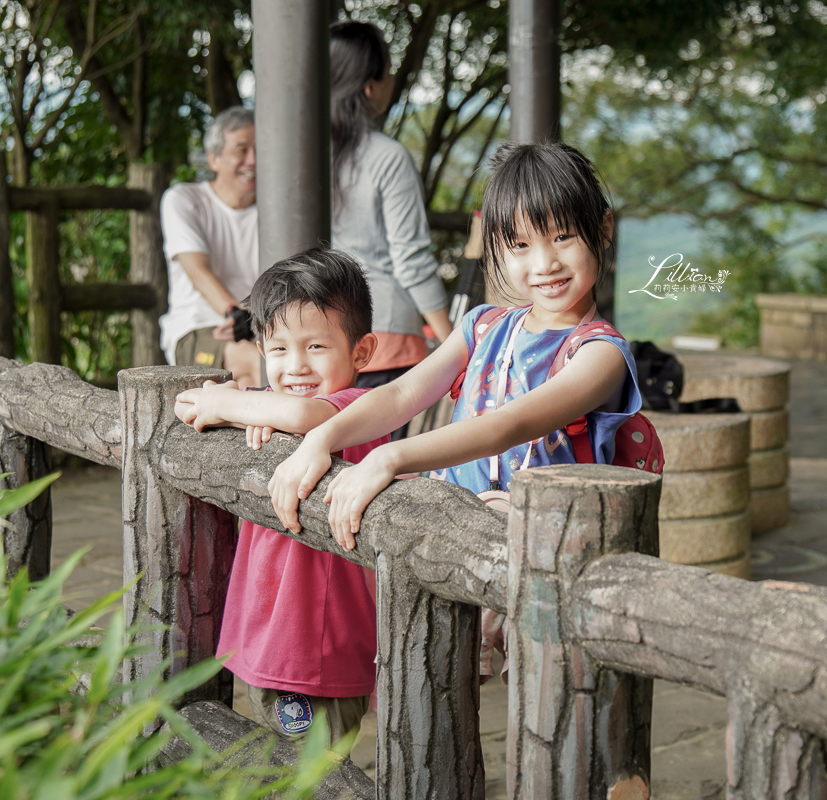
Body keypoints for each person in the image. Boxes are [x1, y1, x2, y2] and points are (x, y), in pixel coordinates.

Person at [267, 139, 661, 552]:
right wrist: (321, 438)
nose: (545, 264)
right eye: (521, 245)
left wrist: (387, 458)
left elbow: (505, 426)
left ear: (603, 230)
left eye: (562, 237)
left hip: (542, 553)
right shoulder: (483, 327)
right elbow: (402, 393)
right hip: (455, 538)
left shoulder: (600, 354)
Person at [173, 248, 386, 752]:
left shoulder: (358, 408)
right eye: (280, 350)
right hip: (270, 631)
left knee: (312, 772)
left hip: (314, 647)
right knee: (278, 761)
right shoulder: (281, 408)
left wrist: (224, 402)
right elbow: (280, 410)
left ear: (361, 352)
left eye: (316, 346)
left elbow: (306, 416)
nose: (296, 367)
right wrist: (256, 410)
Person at [329, 20, 453, 437]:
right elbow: (411, 258)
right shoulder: (387, 157)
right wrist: (453, 341)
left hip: (318, 336)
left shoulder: (297, 153)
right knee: (377, 464)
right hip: (385, 334)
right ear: (369, 85)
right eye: (387, 72)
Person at [159, 106, 261, 387]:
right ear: (213, 158)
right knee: (258, 365)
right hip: (201, 327)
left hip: (259, 327)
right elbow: (198, 271)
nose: (253, 160)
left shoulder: (275, 211)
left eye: (259, 149)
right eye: (241, 150)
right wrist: (239, 317)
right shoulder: (183, 199)